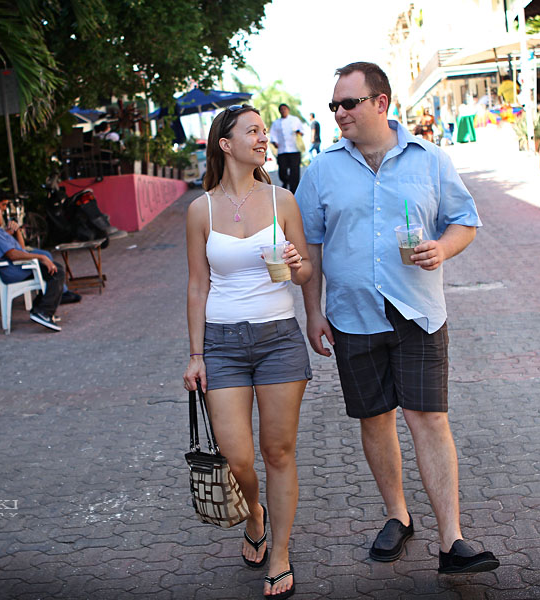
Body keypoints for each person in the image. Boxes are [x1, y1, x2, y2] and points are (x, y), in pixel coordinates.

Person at [295, 61, 500, 575]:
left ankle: (452, 540)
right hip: (351, 315)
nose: (339, 112)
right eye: (334, 105)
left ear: (381, 103)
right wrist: (313, 313)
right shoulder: (321, 171)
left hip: (418, 312)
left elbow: (465, 221)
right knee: (375, 419)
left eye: (349, 103)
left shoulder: (429, 159)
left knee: (428, 418)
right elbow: (310, 248)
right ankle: (397, 515)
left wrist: (441, 248)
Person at [183, 104, 313, 599]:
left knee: (277, 452)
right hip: (222, 344)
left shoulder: (283, 200)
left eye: (264, 130)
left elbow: (303, 275)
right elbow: (198, 286)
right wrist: (195, 354)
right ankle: (254, 512)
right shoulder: (202, 210)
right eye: (252, 131)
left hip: (278, 338)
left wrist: (297, 264)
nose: (263, 138)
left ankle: (279, 551)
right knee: (237, 458)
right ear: (226, 144)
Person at [0, 199, 79, 332]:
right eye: (1, 213)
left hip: (17, 266)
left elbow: (21, 248)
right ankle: (43, 311)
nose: (2, 215)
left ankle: (39, 309)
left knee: (54, 267)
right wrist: (41, 258)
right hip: (15, 270)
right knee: (56, 272)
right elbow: (13, 255)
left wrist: (17, 231)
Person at [269, 103, 307, 193]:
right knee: (282, 170)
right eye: (281, 109)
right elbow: (273, 135)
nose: (283, 111)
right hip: (282, 150)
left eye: (285, 109)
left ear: (288, 110)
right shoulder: (276, 123)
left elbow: (302, 131)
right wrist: (274, 142)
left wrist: (299, 132)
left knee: (295, 171)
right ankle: (286, 182)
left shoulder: (295, 120)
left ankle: (294, 190)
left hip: (294, 149)